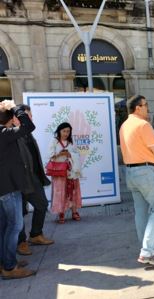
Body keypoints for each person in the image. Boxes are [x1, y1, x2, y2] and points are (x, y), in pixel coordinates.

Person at [119, 95, 154, 267]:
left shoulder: (124, 125)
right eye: (145, 105)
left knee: (141, 212)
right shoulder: (143, 125)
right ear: (137, 108)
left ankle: (147, 246)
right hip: (146, 172)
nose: (148, 108)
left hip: (131, 172)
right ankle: (147, 252)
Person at [0, 99, 36, 279]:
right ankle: (9, 267)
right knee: (15, 226)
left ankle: (5, 262)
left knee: (4, 227)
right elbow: (29, 126)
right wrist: (15, 107)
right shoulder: (4, 133)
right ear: (10, 118)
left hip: (3, 188)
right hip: (8, 188)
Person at [12, 105, 54, 256]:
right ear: (16, 119)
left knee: (41, 204)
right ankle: (21, 242)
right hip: (20, 181)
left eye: (30, 116)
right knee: (20, 212)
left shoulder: (28, 134)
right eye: (28, 116)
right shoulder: (13, 134)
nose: (31, 119)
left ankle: (36, 234)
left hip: (34, 177)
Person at [47, 122, 82, 224]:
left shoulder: (71, 142)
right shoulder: (54, 141)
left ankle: (74, 211)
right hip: (59, 171)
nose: (66, 133)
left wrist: (70, 154)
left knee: (73, 191)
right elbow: (50, 155)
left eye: (68, 131)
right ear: (59, 131)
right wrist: (60, 154)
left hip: (71, 171)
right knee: (60, 192)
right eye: (64, 131)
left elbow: (77, 154)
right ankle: (61, 212)